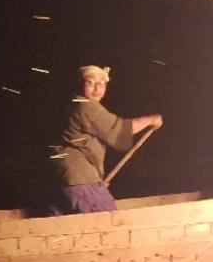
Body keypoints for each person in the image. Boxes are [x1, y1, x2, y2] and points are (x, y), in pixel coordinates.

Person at [53, 65, 163, 213]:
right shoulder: (84, 106)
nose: (97, 89)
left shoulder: (71, 104)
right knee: (107, 222)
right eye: (90, 83)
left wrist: (96, 183)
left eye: (102, 84)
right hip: (80, 180)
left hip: (69, 180)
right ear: (80, 84)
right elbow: (118, 130)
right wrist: (151, 120)